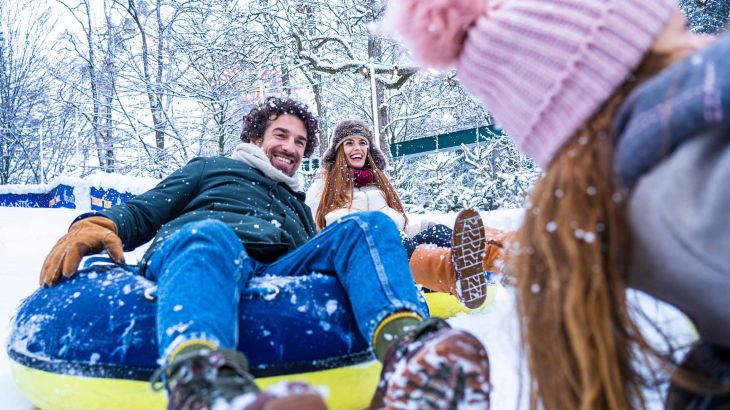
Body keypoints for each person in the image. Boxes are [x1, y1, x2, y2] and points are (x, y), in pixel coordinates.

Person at [38, 96, 491, 410]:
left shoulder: (296, 201)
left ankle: (413, 356)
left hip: (275, 270)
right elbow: (145, 210)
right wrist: (95, 225)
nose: (291, 148)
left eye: (299, 143)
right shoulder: (211, 168)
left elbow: (316, 254)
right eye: (281, 135)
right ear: (257, 137)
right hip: (203, 253)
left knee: (367, 225)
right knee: (210, 233)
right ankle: (203, 383)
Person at [384, 0, 729, 409]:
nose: (707, 40)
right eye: (683, 34)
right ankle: (457, 265)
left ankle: (464, 263)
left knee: (455, 239)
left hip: (415, 230)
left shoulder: (620, 202)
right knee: (418, 246)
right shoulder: (705, 123)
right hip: (388, 236)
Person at [306, 119, 511, 309]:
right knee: (393, 242)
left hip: (396, 250)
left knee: (436, 232)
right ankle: (454, 277)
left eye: (362, 142)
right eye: (349, 143)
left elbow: (401, 227)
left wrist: (423, 227)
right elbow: (311, 235)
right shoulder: (323, 187)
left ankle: (501, 260)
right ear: (339, 149)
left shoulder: (378, 184)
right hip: (358, 261)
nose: (357, 148)